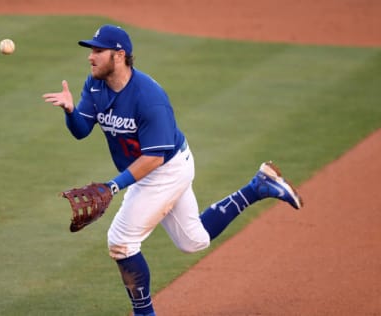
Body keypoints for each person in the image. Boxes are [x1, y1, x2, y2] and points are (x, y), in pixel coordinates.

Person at [43, 24, 303, 316]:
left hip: (167, 170)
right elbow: (80, 130)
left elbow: (154, 159)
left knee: (121, 242)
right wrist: (69, 111)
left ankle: (145, 314)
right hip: (147, 170)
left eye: (98, 51)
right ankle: (258, 186)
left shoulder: (149, 97)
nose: (91, 57)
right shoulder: (94, 85)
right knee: (194, 241)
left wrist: (113, 186)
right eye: (91, 50)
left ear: (119, 55)